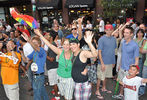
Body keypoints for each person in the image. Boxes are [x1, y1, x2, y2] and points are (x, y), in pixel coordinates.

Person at [34, 29, 75, 100]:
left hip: (69, 78)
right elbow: (49, 45)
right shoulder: (60, 52)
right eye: (64, 44)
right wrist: (40, 35)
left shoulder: (74, 54)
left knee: (68, 97)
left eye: (68, 44)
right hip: (60, 78)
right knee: (64, 95)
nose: (66, 46)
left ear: (71, 46)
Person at [70, 30, 98, 100]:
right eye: (70, 44)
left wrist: (89, 43)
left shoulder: (82, 53)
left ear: (78, 44)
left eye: (74, 44)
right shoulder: (72, 53)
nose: (72, 46)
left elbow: (95, 54)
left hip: (83, 84)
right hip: (76, 83)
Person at [113, 26, 139, 99]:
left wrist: (134, 71)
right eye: (124, 32)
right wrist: (120, 65)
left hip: (129, 69)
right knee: (121, 82)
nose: (125, 34)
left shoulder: (135, 45)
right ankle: (121, 94)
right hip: (122, 67)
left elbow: (136, 60)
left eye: (127, 33)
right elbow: (122, 55)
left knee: (128, 86)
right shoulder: (123, 42)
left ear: (131, 34)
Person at [21, 34, 49, 100]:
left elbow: (36, 48)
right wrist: (21, 52)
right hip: (35, 75)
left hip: (39, 76)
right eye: (32, 43)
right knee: (42, 91)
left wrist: (29, 41)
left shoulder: (41, 50)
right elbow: (26, 59)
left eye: (35, 43)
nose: (33, 44)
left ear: (39, 44)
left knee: (37, 94)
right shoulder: (34, 52)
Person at [96, 24, 117, 99]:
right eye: (107, 30)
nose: (109, 31)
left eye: (110, 29)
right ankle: (97, 90)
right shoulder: (101, 39)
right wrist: (102, 63)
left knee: (106, 76)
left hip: (110, 61)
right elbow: (99, 52)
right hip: (103, 62)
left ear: (112, 30)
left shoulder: (114, 39)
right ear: (105, 30)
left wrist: (114, 61)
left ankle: (104, 88)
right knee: (100, 77)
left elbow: (113, 51)